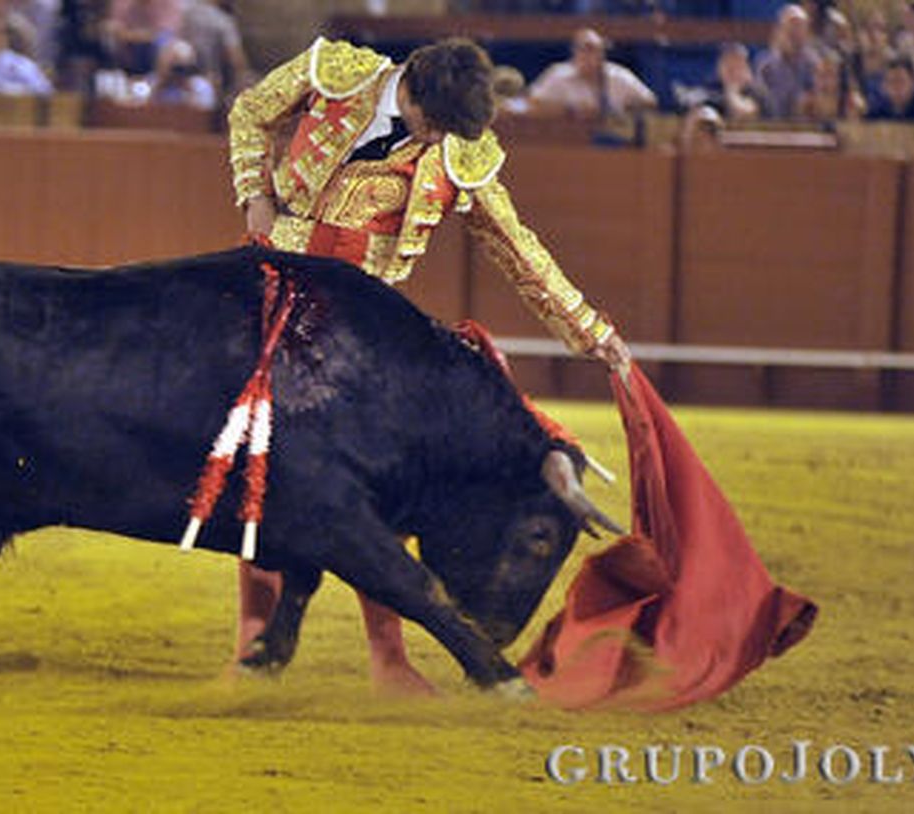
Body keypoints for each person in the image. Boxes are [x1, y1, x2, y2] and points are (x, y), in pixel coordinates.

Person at [227, 36, 632, 693]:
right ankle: (253, 635)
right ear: (409, 90)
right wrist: (255, 193)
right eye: (431, 125)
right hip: (278, 291)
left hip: (370, 330)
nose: (438, 141)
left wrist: (593, 333)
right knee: (261, 467)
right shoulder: (338, 74)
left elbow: (516, 249)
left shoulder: (458, 150)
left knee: (381, 492)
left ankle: (388, 658)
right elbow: (251, 111)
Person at [525, 27, 657, 118]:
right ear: (574, 51)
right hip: (567, 140)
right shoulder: (558, 74)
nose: (587, 55)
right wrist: (570, 110)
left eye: (593, 49)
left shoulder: (619, 76)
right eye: (583, 49)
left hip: (613, 143)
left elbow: (650, 102)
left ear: (603, 53)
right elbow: (533, 103)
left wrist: (621, 111)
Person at [753, 4, 820, 118]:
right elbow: (760, 98)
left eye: (799, 26)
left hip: (808, 125)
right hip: (773, 125)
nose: (794, 32)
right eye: (791, 26)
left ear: (807, 32)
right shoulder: (766, 64)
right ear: (780, 30)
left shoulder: (815, 63)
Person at [865, 56, 914, 120]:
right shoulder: (876, 114)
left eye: (901, 81)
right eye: (891, 81)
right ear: (884, 86)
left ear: (913, 83)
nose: (896, 87)